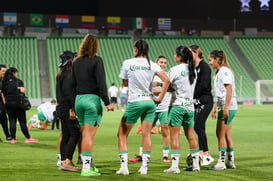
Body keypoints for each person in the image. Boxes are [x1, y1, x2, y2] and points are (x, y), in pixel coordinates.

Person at [116, 39, 170, 175]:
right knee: (146, 134)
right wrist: (160, 98)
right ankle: (144, 168)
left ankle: (124, 168)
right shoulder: (152, 64)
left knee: (122, 134)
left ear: (135, 50)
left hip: (136, 102)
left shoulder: (128, 63)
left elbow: (125, 83)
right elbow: (167, 80)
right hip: (150, 102)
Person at [72, 33, 114, 176]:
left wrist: (72, 106)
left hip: (78, 100)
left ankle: (89, 165)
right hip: (92, 101)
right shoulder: (97, 60)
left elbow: (73, 84)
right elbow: (101, 83)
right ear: (95, 46)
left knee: (84, 135)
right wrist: (107, 102)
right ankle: (86, 169)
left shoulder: (76, 62)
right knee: (89, 136)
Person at [164, 46, 200, 174]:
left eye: (175, 54)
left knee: (174, 136)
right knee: (191, 135)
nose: (174, 56)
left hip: (177, 106)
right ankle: (196, 165)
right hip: (190, 107)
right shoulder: (193, 70)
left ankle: (174, 166)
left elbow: (167, 86)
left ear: (179, 56)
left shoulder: (174, 69)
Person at [129, 55, 171, 163]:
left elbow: (170, 88)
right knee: (145, 131)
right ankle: (141, 154)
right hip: (151, 107)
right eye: (161, 62)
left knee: (165, 130)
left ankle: (165, 155)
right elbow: (145, 88)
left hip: (164, 107)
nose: (163, 64)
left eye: (165, 63)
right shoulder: (150, 74)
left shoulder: (167, 76)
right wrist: (159, 89)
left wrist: (159, 87)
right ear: (156, 63)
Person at [208, 50, 238, 170]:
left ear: (217, 60)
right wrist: (215, 108)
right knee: (226, 135)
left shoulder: (224, 71)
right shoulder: (220, 72)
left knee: (220, 134)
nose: (210, 62)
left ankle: (221, 163)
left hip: (228, 106)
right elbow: (219, 93)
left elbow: (228, 90)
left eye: (211, 60)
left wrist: (225, 108)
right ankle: (230, 162)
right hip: (226, 105)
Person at [56, 51, 81, 171]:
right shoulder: (70, 74)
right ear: (71, 60)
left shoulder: (61, 74)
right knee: (75, 133)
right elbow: (69, 94)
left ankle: (62, 161)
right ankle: (68, 161)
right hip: (67, 108)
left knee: (66, 135)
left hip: (61, 108)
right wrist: (72, 109)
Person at [190, 45, 214, 166]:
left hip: (205, 99)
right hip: (198, 100)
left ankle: (206, 154)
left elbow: (203, 85)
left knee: (198, 126)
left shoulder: (204, 67)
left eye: (190, 53)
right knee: (199, 127)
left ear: (196, 53)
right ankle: (201, 152)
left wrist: (194, 96)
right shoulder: (195, 67)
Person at [2, 67, 38, 143]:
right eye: (16, 72)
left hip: (8, 103)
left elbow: (4, 93)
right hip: (18, 103)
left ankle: (13, 139)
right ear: (14, 73)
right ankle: (28, 138)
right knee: (22, 122)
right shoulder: (18, 81)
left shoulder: (4, 82)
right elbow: (22, 91)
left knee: (12, 121)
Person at [0, 64, 12, 142]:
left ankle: (8, 136)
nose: (4, 72)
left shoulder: (3, 80)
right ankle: (8, 136)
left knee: (4, 119)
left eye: (5, 71)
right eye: (3, 71)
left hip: (2, 103)